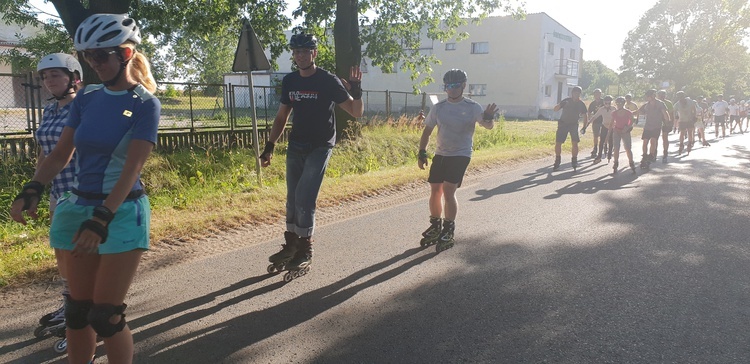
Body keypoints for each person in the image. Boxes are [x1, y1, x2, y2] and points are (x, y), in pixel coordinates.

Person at [11, 13, 160, 364]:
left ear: (125, 54)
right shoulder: (86, 98)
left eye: (102, 55)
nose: (95, 63)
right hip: (77, 207)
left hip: (121, 212)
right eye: (89, 56)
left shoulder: (144, 104)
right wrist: (32, 187)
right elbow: (61, 153)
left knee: (104, 317)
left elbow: (132, 167)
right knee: (77, 313)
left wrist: (102, 218)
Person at [260, 32, 364, 281]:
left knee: (304, 197)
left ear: (314, 54)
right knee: (291, 198)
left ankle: (305, 247)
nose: (300, 56)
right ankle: (292, 243)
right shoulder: (290, 81)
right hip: (296, 144)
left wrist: (357, 90)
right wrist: (270, 145)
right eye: (296, 52)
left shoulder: (327, 81)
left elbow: (355, 112)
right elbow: (281, 116)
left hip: (320, 145)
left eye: (305, 51)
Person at [33, 53, 83, 347]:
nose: (49, 81)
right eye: (44, 76)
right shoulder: (49, 110)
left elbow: (68, 151)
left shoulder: (81, 107)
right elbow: (45, 150)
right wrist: (35, 185)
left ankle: (85, 316)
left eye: (55, 75)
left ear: (73, 77)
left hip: (80, 191)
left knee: (77, 256)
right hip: (57, 192)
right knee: (61, 253)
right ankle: (70, 305)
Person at [417, 69, 497, 253]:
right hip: (441, 153)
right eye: (448, 86)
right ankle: (435, 226)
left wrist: (489, 117)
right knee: (435, 189)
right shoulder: (439, 107)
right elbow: (427, 131)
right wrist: (422, 152)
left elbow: (488, 126)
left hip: (461, 154)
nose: (451, 89)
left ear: (463, 86)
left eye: (455, 86)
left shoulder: (472, 107)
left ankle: (448, 229)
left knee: (448, 190)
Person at [552, 86, 588, 171]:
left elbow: (585, 116)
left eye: (578, 92)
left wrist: (584, 127)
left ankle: (574, 160)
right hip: (563, 124)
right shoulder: (566, 100)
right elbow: (555, 109)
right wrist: (561, 104)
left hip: (573, 125)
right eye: (575, 92)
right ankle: (557, 159)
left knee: (575, 143)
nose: (576, 94)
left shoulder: (581, 104)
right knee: (558, 143)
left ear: (580, 94)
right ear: (572, 93)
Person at [637, 89, 670, 169]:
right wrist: (628, 112)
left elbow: (665, 114)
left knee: (653, 140)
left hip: (656, 126)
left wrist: (667, 122)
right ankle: (644, 156)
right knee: (645, 141)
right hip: (648, 126)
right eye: (647, 96)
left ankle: (651, 156)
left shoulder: (660, 104)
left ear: (653, 96)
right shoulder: (646, 105)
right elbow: (639, 111)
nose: (647, 98)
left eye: (648, 96)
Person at [611, 96, 637, 174]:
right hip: (617, 131)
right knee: (616, 148)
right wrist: (609, 132)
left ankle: (631, 162)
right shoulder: (614, 113)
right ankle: (615, 163)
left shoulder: (628, 112)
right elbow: (612, 122)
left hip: (625, 132)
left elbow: (632, 120)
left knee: (628, 148)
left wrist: (628, 127)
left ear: (624, 103)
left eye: (621, 103)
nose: (619, 105)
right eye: (617, 103)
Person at [586, 95, 615, 164]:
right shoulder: (602, 109)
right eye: (606, 103)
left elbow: (618, 117)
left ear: (611, 103)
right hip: (604, 126)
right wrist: (588, 122)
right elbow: (595, 116)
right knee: (601, 141)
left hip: (612, 127)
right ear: (604, 103)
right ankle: (599, 156)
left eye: (609, 103)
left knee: (610, 141)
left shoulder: (614, 109)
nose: (607, 105)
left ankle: (609, 154)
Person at [584, 88, 605, 157]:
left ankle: (604, 147)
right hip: (596, 121)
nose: (597, 95)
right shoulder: (592, 103)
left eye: (598, 93)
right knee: (595, 135)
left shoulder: (604, 102)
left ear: (600, 94)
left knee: (603, 135)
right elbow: (589, 112)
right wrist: (589, 119)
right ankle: (595, 148)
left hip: (604, 121)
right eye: (595, 93)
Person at [656, 90, 674, 162]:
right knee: (655, 138)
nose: (662, 96)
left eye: (663, 95)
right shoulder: (655, 102)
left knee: (665, 137)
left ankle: (665, 152)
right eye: (660, 95)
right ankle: (654, 152)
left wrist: (671, 122)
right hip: (656, 122)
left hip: (666, 122)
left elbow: (671, 113)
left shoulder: (668, 103)